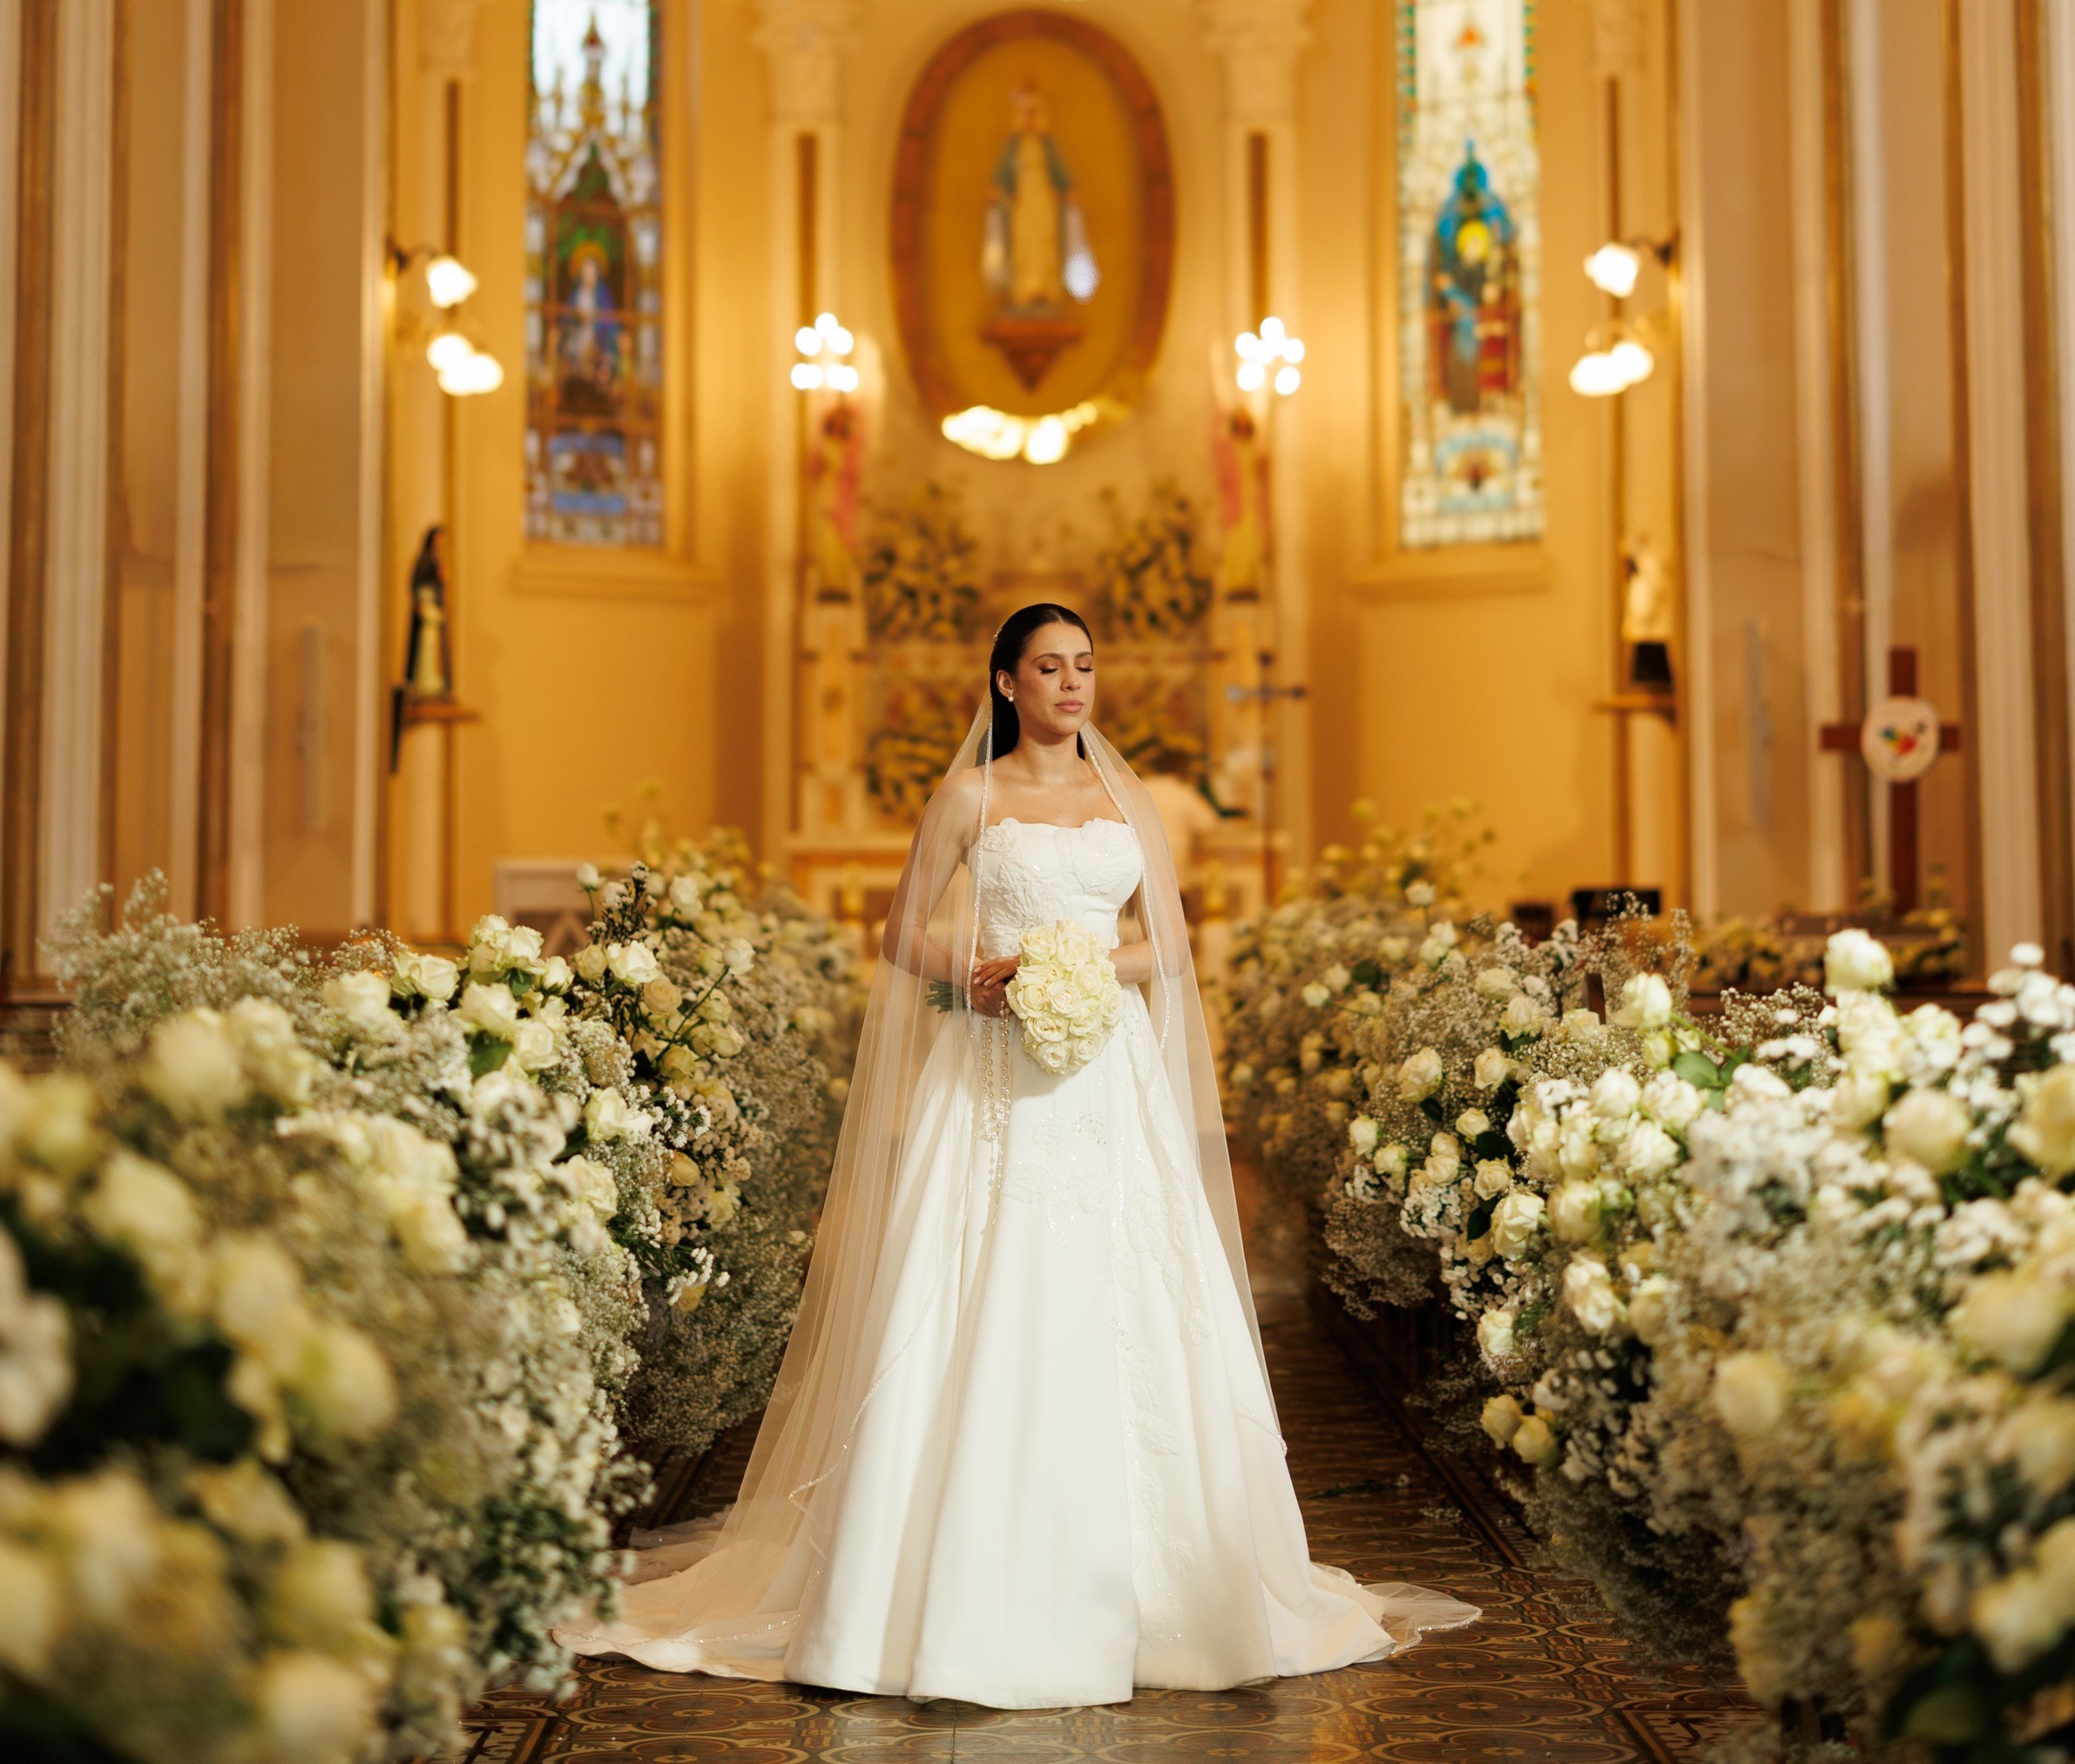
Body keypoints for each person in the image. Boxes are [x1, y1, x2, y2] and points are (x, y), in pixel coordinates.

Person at [570, 603, 1473, 1707]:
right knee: (985, 1288)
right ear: (1006, 684)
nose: (1074, 684)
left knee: (1133, 1291)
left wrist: (1086, 972)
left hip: (1110, 1078)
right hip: (994, 1076)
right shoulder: (969, 797)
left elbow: (1169, 946)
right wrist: (981, 974)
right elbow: (901, 930)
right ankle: (947, 1586)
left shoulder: (1124, 798)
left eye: (1086, 666)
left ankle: (1166, 1585)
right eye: (1050, 668)